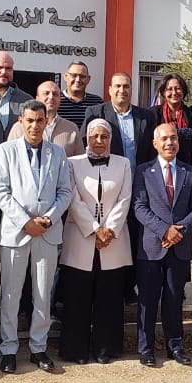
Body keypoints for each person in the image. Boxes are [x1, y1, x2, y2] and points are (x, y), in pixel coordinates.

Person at [0, 100, 72, 374]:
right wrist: (26, 222)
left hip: (47, 232)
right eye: (30, 120)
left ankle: (39, 347)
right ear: (21, 121)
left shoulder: (57, 152)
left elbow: (65, 191)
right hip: (17, 231)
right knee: (11, 294)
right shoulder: (6, 150)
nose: (35, 126)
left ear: (46, 121)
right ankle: (9, 348)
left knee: (42, 293)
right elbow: (0, 192)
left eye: (40, 120)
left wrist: (48, 218)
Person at [61, 119, 133, 364]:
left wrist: (109, 230)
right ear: (87, 138)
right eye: (95, 136)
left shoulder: (123, 164)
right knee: (77, 297)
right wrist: (93, 229)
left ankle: (106, 348)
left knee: (109, 297)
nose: (99, 141)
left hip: (113, 241)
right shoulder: (72, 163)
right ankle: (75, 350)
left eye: (104, 136)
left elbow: (124, 199)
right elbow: (72, 199)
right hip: (80, 238)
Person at [133, 123, 192, 367]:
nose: (169, 143)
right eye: (164, 139)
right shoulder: (143, 171)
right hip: (151, 248)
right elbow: (139, 207)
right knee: (147, 300)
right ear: (155, 143)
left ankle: (175, 346)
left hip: (179, 247)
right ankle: (146, 348)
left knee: (174, 299)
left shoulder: (189, 172)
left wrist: (179, 231)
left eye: (173, 138)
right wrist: (165, 230)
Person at [81, 73, 157, 166]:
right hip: (107, 172)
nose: (122, 90)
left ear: (131, 90)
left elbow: (153, 149)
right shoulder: (96, 113)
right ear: (110, 90)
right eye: (118, 86)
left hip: (139, 173)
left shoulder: (146, 116)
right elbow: (84, 144)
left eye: (126, 86)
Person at [7, 80, 85, 157]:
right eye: (46, 93)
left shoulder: (71, 129)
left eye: (55, 94)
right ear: (37, 99)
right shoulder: (19, 127)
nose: (51, 97)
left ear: (60, 99)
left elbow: (80, 161)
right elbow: (9, 156)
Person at [152, 72, 192, 168]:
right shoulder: (154, 113)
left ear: (183, 91)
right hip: (162, 164)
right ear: (163, 92)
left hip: (188, 164)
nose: (174, 93)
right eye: (169, 89)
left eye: (178, 88)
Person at [59, 60, 103, 130]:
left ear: (88, 79)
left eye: (82, 76)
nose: (78, 80)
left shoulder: (97, 102)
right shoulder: (55, 100)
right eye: (74, 75)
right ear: (65, 77)